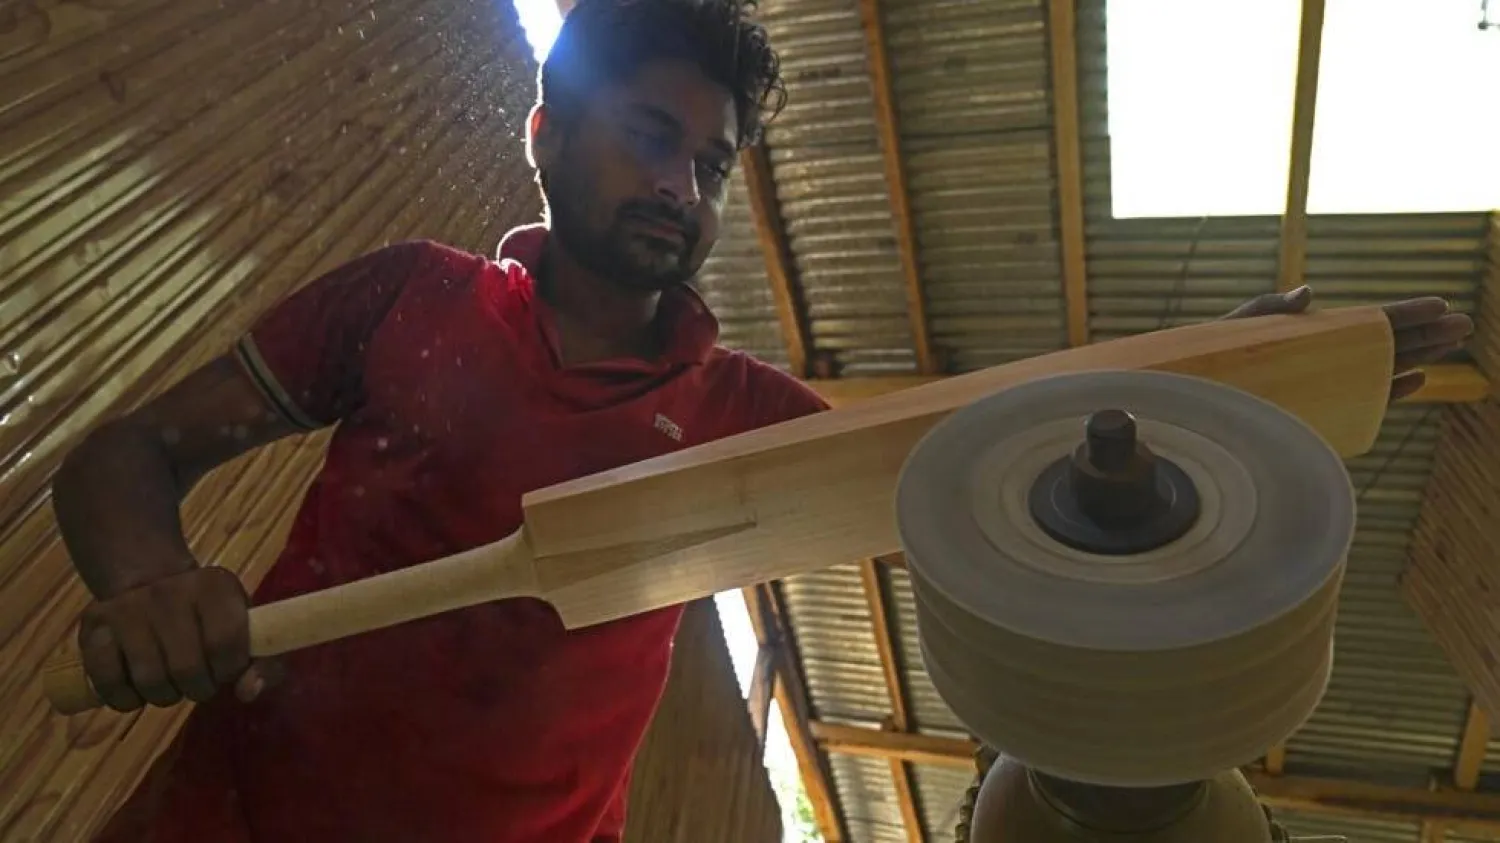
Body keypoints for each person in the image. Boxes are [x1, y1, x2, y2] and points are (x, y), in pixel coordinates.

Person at [52, 0, 1473, 840]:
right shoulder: (406, 297)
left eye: (713, 162)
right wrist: (150, 586)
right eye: (652, 138)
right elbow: (127, 454)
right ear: (547, 134)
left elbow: (1001, 462)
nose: (685, 185)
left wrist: (1239, 379)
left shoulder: (745, 421)